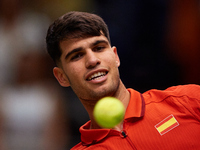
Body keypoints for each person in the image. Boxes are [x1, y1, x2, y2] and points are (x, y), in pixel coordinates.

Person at [46, 11, 200, 149]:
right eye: (77, 56)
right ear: (62, 77)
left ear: (116, 56)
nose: (92, 60)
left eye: (99, 48)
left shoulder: (188, 100)